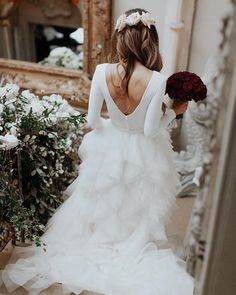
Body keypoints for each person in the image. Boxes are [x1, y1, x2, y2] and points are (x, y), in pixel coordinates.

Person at [1, 8, 193, 295]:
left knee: (102, 201)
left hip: (109, 142)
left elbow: (92, 121)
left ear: (120, 38)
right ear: (150, 40)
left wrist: (116, 124)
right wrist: (174, 112)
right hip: (143, 151)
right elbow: (152, 131)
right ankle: (127, 244)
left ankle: (101, 242)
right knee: (135, 202)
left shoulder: (102, 72)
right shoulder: (156, 81)